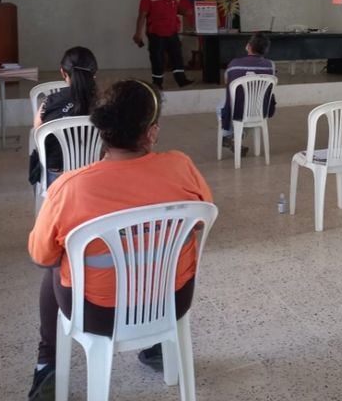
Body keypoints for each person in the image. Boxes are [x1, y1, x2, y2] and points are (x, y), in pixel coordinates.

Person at [27, 79, 214, 400]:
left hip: (98, 313)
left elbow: (41, 255)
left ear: (101, 131)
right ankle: (156, 343)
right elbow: (200, 219)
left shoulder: (69, 187)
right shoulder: (181, 166)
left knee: (55, 265)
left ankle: (47, 363)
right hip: (173, 300)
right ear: (151, 132)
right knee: (155, 249)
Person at [28, 47, 99, 186]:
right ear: (94, 74)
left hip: (56, 177)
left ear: (63, 72)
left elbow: (38, 132)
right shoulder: (103, 103)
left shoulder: (49, 102)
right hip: (93, 174)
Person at [218, 32, 277, 154]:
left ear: (248, 47)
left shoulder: (234, 64)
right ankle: (235, 138)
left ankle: (228, 135)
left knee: (221, 106)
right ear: (265, 50)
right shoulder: (270, 65)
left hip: (236, 110)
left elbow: (227, 81)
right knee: (252, 108)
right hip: (260, 110)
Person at [133, 0, 193, 89]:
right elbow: (142, 16)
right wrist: (138, 33)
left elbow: (176, 8)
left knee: (177, 56)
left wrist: (185, 12)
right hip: (156, 33)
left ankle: (181, 80)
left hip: (172, 31)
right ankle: (157, 83)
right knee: (157, 58)